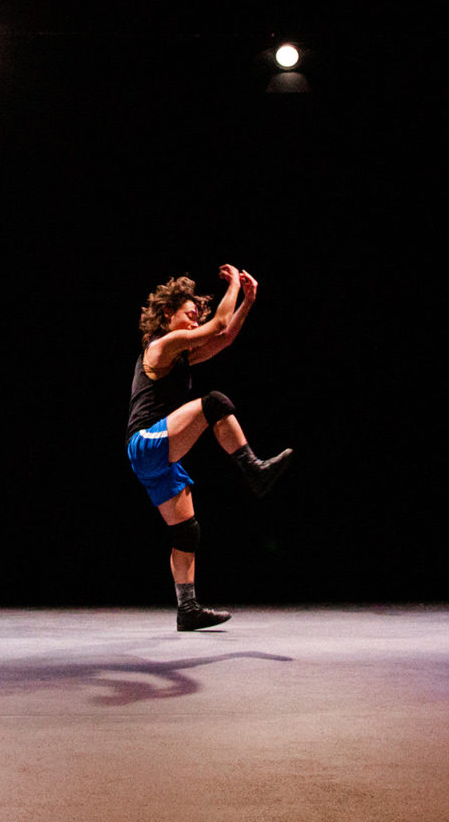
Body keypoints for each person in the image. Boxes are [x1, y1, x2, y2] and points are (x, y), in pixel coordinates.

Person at [125, 265, 293, 631]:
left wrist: (247, 301)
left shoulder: (181, 356)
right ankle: (254, 470)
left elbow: (225, 337)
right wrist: (234, 284)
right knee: (214, 402)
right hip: (147, 442)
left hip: (157, 456)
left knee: (187, 531)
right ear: (167, 314)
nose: (194, 322)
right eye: (189, 315)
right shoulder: (161, 345)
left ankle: (187, 608)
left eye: (196, 317)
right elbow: (217, 326)